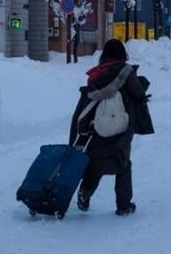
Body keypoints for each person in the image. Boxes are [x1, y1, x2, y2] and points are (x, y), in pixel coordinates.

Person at [69, 39, 145, 216]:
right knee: (122, 163)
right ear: (122, 54)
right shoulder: (125, 71)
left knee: (95, 162)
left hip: (96, 125)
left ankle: (85, 192)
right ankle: (124, 205)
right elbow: (138, 93)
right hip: (119, 125)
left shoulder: (95, 74)